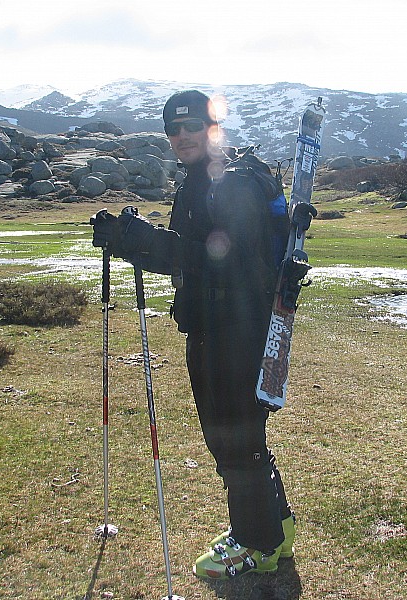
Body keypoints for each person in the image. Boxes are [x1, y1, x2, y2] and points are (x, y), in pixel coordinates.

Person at [91, 90, 295, 580]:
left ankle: (258, 543)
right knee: (238, 437)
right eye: (173, 129)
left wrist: (143, 242)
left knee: (234, 440)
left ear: (212, 128)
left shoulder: (232, 184)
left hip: (237, 331)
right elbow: (198, 255)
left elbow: (224, 263)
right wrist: (137, 243)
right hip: (216, 327)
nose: (181, 136)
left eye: (191, 126)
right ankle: (275, 526)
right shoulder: (204, 180)